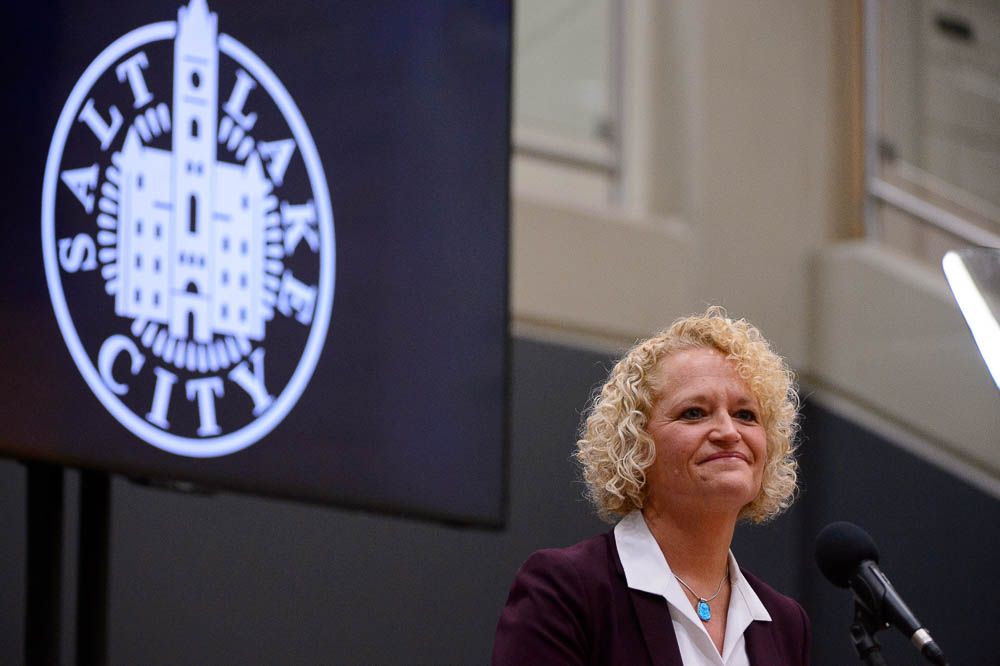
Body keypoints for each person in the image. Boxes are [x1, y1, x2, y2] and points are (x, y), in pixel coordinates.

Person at [493, 307, 809, 665]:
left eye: (746, 415)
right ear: (636, 445)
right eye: (694, 412)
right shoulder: (566, 590)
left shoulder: (785, 623)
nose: (728, 432)